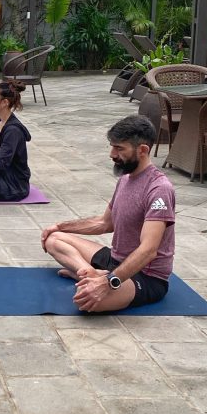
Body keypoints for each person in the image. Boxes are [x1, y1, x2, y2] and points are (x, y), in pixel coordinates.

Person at [41, 115, 175, 313]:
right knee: (53, 239)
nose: (112, 154)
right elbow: (104, 223)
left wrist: (108, 282)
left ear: (142, 150)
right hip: (114, 260)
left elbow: (148, 250)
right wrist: (60, 226)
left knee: (84, 300)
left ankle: (95, 278)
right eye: (112, 147)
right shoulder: (126, 179)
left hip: (145, 276)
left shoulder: (159, 189)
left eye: (119, 148)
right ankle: (90, 273)